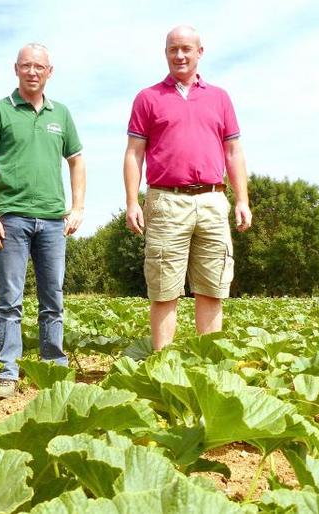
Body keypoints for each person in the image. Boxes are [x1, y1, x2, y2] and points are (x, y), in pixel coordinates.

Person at [123, 25, 252, 350]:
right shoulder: (148, 98)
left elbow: (233, 152)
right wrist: (132, 201)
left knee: (212, 286)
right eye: (172, 49)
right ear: (165, 53)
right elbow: (133, 153)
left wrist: (242, 200)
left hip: (212, 200)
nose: (179, 55)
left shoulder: (220, 98)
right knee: (165, 288)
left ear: (199, 52)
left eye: (186, 49)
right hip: (166, 201)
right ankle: (163, 366)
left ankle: (209, 365)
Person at [0, 43, 86, 398]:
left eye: (40, 66)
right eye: (26, 66)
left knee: (53, 298)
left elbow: (77, 161)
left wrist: (78, 206)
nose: (33, 72)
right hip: (12, 218)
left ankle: (53, 369)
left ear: (50, 72)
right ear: (16, 69)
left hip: (53, 220)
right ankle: (8, 372)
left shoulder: (61, 114)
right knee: (10, 300)